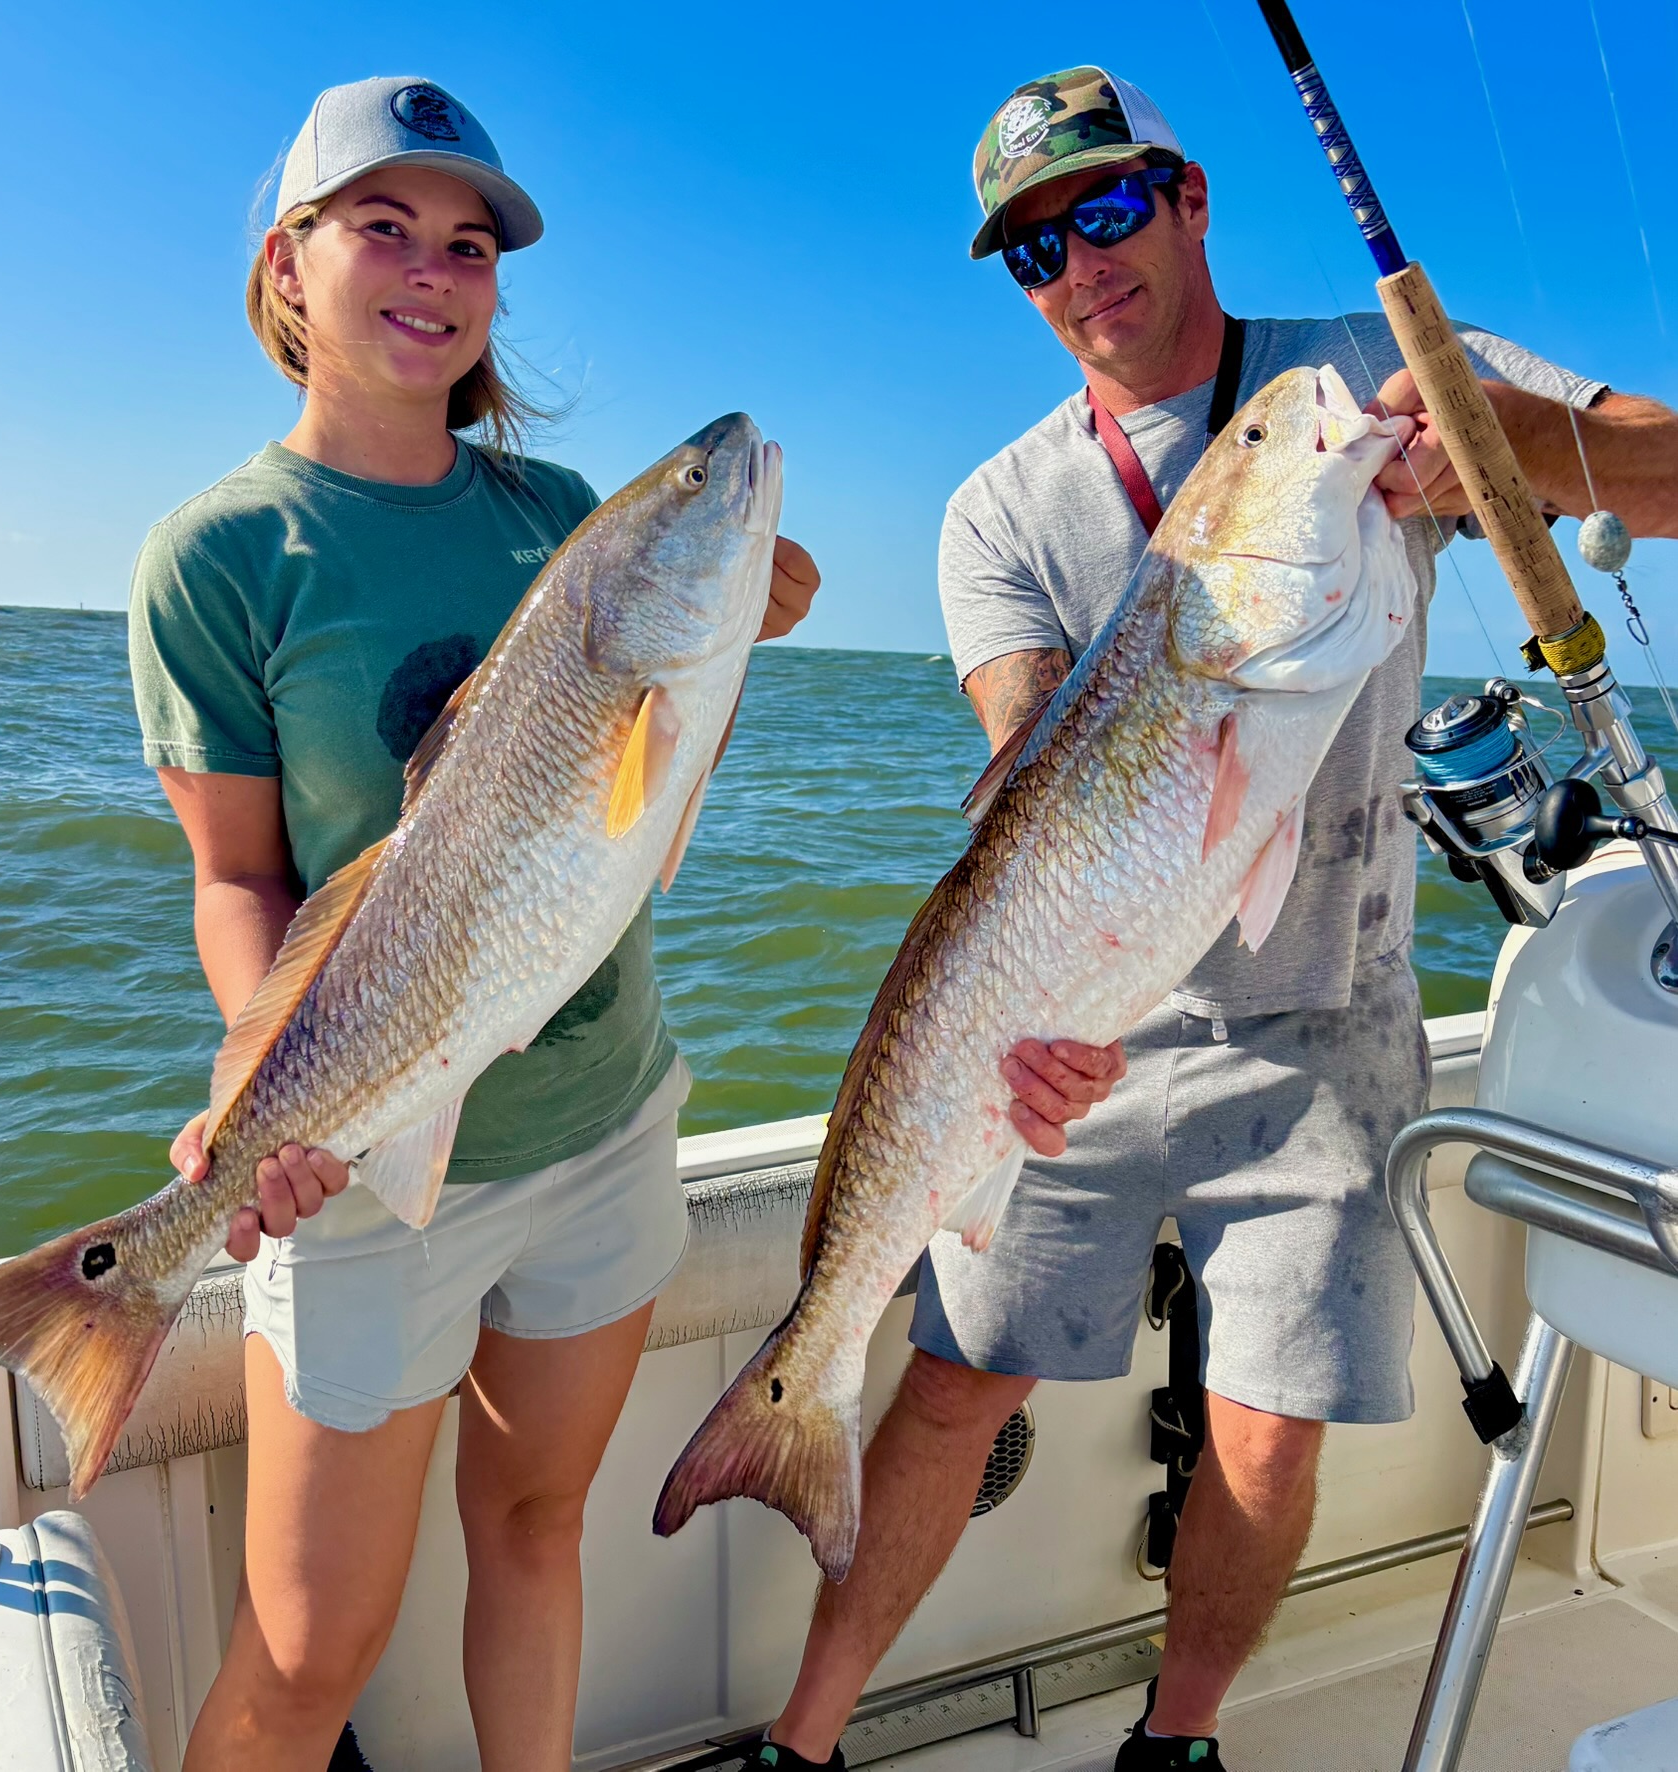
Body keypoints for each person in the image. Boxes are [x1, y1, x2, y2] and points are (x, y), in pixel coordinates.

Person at [740, 64, 1678, 1772]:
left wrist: (1498, 445)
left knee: (1266, 1427)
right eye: (1034, 248)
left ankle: (1175, 1743)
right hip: (1084, 995)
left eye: (1105, 209)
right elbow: (1039, 780)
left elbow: (1670, 475)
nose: (1080, 264)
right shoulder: (994, 513)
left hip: (1328, 1017)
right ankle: (798, 1743)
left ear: (1185, 199)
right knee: (950, 1383)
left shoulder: (1363, 374)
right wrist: (1028, 1030)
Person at [127, 77, 825, 1771]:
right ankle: (116, 1290)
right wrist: (257, 1077)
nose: (434, 270)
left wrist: (729, 629)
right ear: (291, 262)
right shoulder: (218, 557)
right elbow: (241, 880)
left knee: (535, 1533)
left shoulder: (557, 520)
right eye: (384, 226)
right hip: (364, 1170)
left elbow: (641, 817)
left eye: (470, 243)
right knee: (309, 1654)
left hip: (600, 1127)